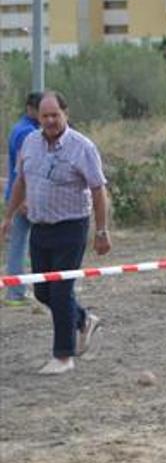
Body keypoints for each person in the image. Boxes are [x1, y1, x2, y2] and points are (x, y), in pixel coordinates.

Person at [1, 91, 110, 374]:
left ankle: (63, 356)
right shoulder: (30, 142)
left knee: (61, 292)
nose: (50, 121)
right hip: (40, 227)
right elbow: (20, 181)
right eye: (45, 116)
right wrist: (8, 216)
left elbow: (98, 190)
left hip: (71, 227)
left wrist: (102, 231)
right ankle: (84, 320)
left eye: (55, 115)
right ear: (38, 116)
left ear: (66, 114)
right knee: (43, 292)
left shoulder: (82, 147)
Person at [4, 92, 41, 306]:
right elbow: (23, 167)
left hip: (19, 196)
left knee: (19, 244)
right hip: (25, 198)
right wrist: (24, 199)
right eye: (39, 110)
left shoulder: (22, 128)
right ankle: (17, 292)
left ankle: (16, 291)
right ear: (30, 109)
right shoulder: (26, 132)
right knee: (29, 244)